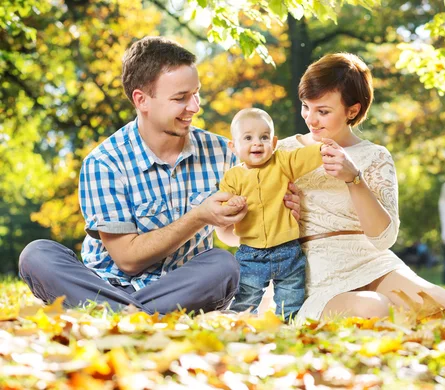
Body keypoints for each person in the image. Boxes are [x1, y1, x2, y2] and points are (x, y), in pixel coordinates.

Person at [17, 37, 301, 315]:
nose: (195, 106)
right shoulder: (104, 163)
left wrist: (277, 212)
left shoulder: (222, 153)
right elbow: (127, 260)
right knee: (37, 255)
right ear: (142, 100)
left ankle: (114, 314)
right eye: (181, 98)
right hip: (105, 284)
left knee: (223, 265)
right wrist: (199, 216)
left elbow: (236, 233)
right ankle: (134, 312)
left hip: (182, 285)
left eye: (196, 93)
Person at [276, 52, 445, 328]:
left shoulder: (374, 156)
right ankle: (418, 321)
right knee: (376, 309)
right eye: (306, 106)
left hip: (370, 261)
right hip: (312, 271)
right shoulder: (282, 151)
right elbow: (245, 233)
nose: (311, 118)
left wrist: (354, 178)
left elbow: (383, 238)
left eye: (323, 111)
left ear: (352, 110)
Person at [219, 108, 328, 320]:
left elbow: (304, 157)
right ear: (233, 146)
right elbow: (223, 206)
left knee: (291, 294)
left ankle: (285, 325)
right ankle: (241, 325)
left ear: (274, 143)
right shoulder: (233, 177)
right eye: (248, 138)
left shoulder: (283, 163)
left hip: (288, 250)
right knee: (246, 296)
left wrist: (323, 149)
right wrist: (232, 203)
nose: (257, 143)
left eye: (264, 137)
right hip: (251, 253)